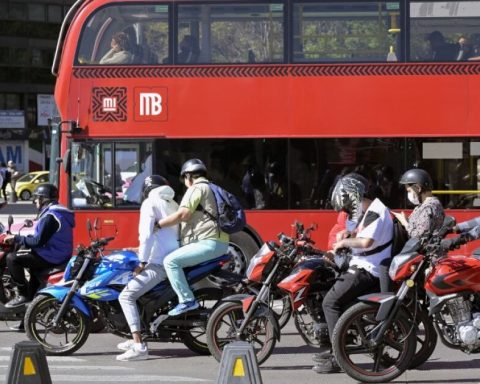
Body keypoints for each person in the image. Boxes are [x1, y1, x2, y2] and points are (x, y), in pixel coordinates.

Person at [313, 174, 393, 374]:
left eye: (348, 204)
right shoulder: (371, 210)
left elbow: (366, 243)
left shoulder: (375, 211)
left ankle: (337, 355)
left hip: (366, 269)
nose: (348, 210)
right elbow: (366, 236)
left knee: (329, 302)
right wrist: (349, 235)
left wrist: (343, 242)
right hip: (364, 265)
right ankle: (339, 344)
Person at [116, 175, 179, 362]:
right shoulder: (171, 203)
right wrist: (136, 251)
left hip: (158, 263)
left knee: (126, 295)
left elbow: (146, 235)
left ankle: (139, 346)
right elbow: (163, 236)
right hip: (170, 258)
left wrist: (141, 263)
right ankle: (136, 335)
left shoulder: (149, 203)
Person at [157, 159, 229, 316]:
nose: (184, 182)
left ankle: (187, 300)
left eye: (184, 179)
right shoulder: (211, 187)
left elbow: (183, 214)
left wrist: (157, 225)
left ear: (188, 176)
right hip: (217, 242)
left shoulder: (197, 189)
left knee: (170, 262)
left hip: (208, 242)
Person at [3, 184, 74, 330]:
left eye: (36, 198)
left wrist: (16, 239)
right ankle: (26, 322)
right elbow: (41, 237)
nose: (35, 201)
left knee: (12, 258)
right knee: (34, 281)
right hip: (56, 252)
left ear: (43, 199)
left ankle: (21, 295)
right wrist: (23, 239)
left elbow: (38, 241)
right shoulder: (56, 212)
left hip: (52, 255)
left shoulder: (51, 216)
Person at [393, 168, 445, 240]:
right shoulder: (426, 205)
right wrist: (407, 220)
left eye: (409, 191)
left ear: (418, 188)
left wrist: (404, 222)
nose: (408, 194)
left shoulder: (428, 208)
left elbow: (418, 237)